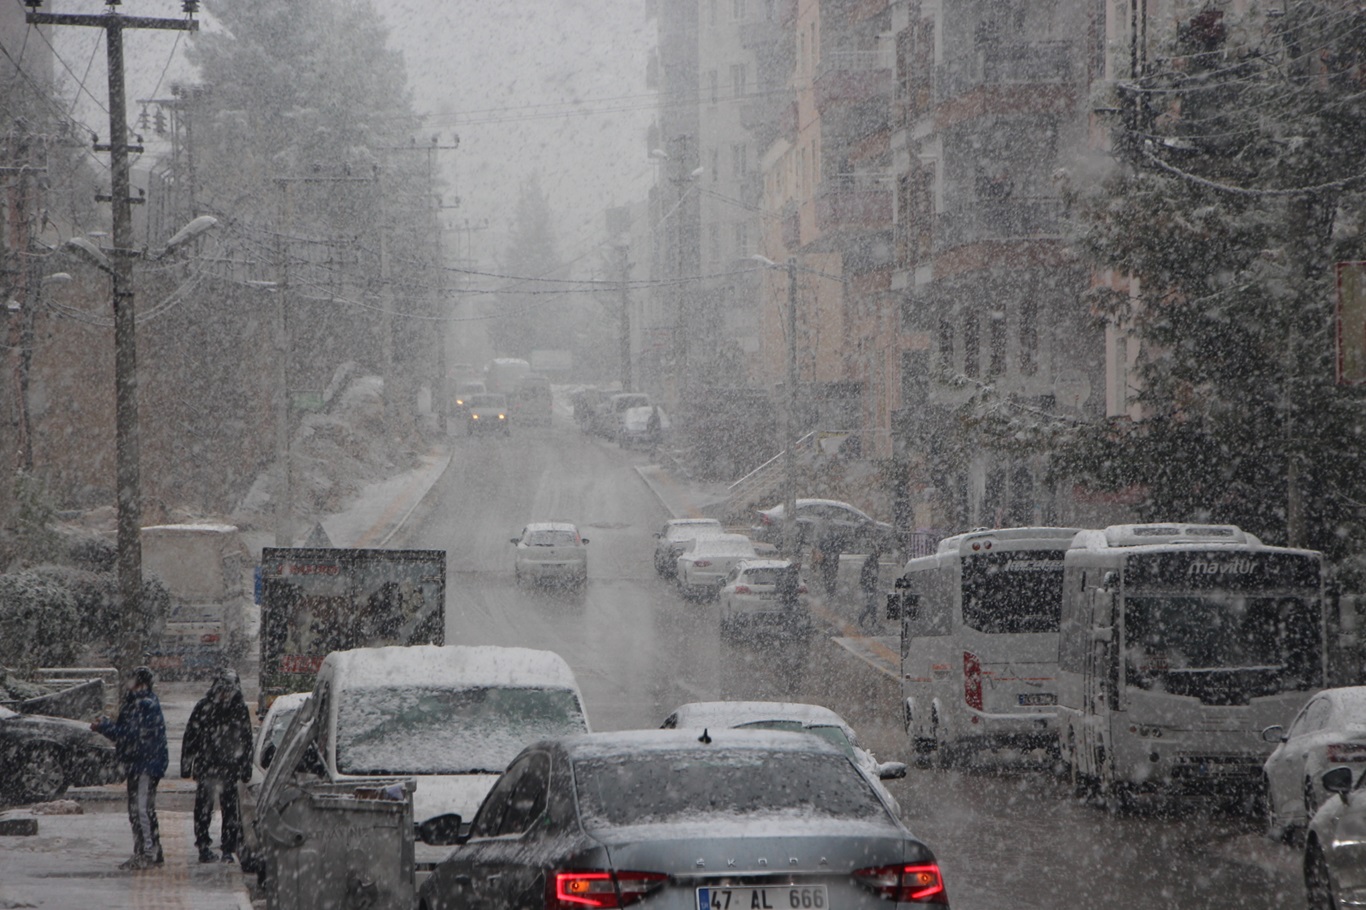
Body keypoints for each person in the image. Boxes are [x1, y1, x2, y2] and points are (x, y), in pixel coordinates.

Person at [92, 666, 169, 870]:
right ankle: (148, 851)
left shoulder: (143, 704)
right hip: (140, 763)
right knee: (138, 809)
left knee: (141, 809)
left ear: (140, 683)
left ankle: (148, 853)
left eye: (132, 680)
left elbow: (131, 734)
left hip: (145, 764)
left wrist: (105, 727)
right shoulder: (139, 702)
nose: (128, 684)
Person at [181, 667, 254, 863]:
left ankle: (228, 849)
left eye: (229, 691)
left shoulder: (239, 709)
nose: (225, 695)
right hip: (207, 767)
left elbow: (247, 741)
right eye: (223, 690)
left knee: (230, 810)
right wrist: (186, 765)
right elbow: (191, 737)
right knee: (204, 808)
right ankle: (203, 845)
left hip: (229, 768)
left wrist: (246, 767)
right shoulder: (204, 707)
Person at [858, 548, 882, 631]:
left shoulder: (872, 560)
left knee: (871, 604)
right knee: (872, 604)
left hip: (869, 585)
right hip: (869, 586)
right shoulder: (872, 560)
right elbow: (870, 574)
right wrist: (871, 584)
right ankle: (870, 621)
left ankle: (866, 620)